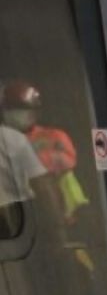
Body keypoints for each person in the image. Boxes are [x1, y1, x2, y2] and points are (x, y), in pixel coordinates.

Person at [1, 81, 86, 222]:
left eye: (27, 109)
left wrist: (37, 160)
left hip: (49, 192)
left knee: (59, 178)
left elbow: (69, 160)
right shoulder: (4, 139)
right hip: (16, 197)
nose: (23, 114)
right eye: (15, 109)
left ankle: (67, 217)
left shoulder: (53, 135)